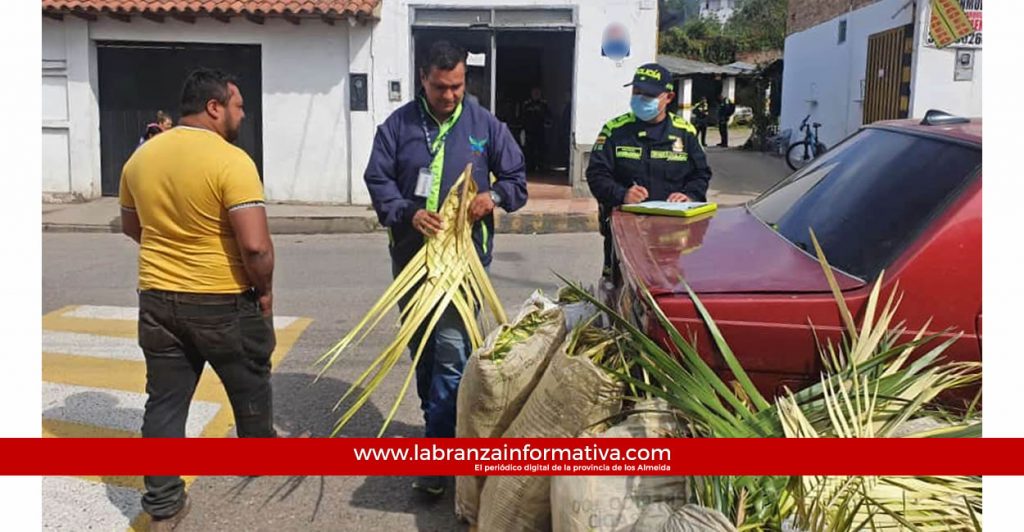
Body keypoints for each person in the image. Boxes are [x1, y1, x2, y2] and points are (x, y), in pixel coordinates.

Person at [363, 40, 527, 498]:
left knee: (454, 353)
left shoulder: (485, 125)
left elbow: (516, 181)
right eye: (440, 88)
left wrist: (490, 198)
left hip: (463, 264)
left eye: (457, 86)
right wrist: (405, 212)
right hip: (413, 262)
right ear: (423, 79)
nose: (450, 95)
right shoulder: (396, 127)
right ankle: (440, 427)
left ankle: (438, 457)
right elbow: (377, 180)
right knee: (425, 351)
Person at [118, 68, 276, 531]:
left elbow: (133, 228)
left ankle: (164, 503)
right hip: (221, 298)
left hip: (158, 298)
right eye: (238, 105)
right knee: (249, 377)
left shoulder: (141, 159)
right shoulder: (232, 160)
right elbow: (256, 247)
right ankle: (256, 455)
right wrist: (263, 291)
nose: (242, 114)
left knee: (165, 401)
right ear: (214, 107)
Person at [586, 62, 712, 285]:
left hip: (672, 236)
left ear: (668, 98)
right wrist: (622, 194)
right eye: (636, 92)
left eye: (649, 94)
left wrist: (689, 195)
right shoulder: (614, 130)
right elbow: (596, 173)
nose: (641, 98)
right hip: (626, 234)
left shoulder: (685, 132)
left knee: (667, 293)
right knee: (619, 293)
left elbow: (701, 174)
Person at [519, 87, 551, 172]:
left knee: (541, 150)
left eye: (537, 93)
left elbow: (548, 117)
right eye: (534, 93)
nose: (536, 95)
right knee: (529, 150)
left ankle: (541, 167)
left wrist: (547, 125)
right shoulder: (527, 104)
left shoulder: (543, 105)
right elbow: (522, 117)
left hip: (540, 131)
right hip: (529, 131)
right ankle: (530, 167)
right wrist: (522, 128)